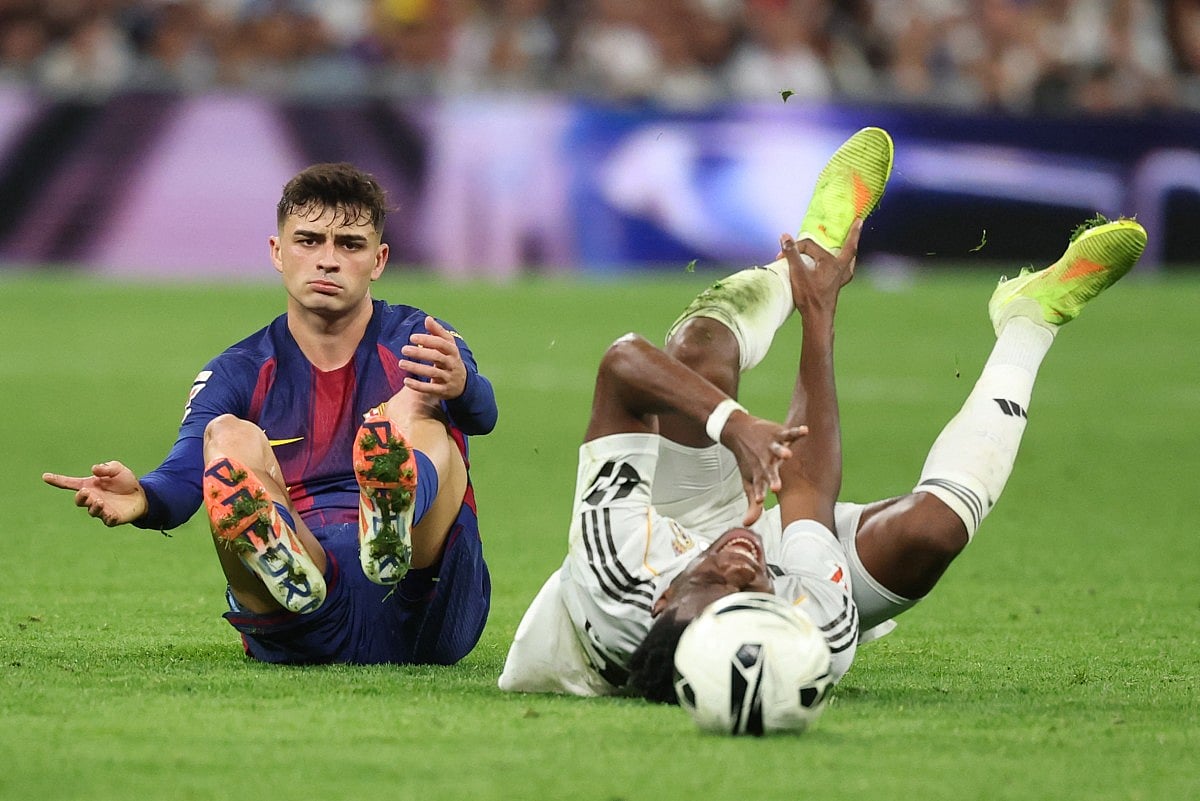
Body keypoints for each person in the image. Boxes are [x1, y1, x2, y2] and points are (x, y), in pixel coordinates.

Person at [498, 127, 1148, 703]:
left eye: (726, 588)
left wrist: (735, 422)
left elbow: (621, 365)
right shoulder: (808, 629)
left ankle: (807, 252)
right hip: (754, 574)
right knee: (933, 533)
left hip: (666, 523)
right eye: (754, 594)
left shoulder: (615, 574)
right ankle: (1033, 318)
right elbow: (806, 490)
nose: (746, 568)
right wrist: (821, 317)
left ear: (665, 599)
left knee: (696, 354)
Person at [43, 162, 496, 666]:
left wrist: (463, 387)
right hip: (303, 607)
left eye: (349, 244)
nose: (327, 260)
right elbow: (185, 476)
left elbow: (483, 413)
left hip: (423, 602)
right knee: (225, 434)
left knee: (417, 399)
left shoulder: (422, 341)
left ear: (379, 260)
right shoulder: (238, 372)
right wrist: (146, 498)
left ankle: (389, 515)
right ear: (277, 252)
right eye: (308, 241)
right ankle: (281, 554)